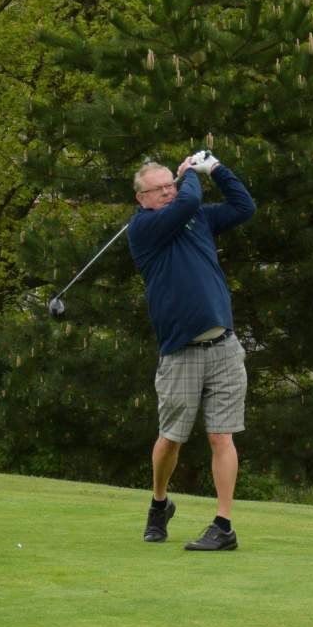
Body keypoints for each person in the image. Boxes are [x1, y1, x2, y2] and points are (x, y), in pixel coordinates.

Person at [127, 148, 256, 551]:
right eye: (159, 189)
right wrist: (189, 174)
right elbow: (187, 201)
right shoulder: (144, 228)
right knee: (171, 439)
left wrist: (215, 168)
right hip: (180, 352)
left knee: (222, 436)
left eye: (171, 184)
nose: (168, 192)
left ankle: (224, 525)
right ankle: (159, 503)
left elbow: (244, 207)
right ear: (142, 198)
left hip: (223, 347)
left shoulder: (197, 217)